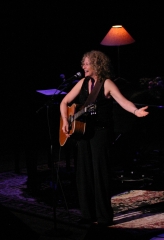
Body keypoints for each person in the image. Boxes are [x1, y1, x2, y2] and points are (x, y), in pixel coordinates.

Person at [60, 50, 149, 227]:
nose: (83, 66)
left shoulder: (106, 83)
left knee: (99, 174)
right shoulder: (82, 82)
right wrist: (65, 121)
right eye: (83, 63)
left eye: (86, 63)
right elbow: (64, 102)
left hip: (100, 133)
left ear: (96, 64)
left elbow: (123, 101)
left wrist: (135, 111)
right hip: (83, 133)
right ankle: (87, 214)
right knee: (83, 174)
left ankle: (103, 217)